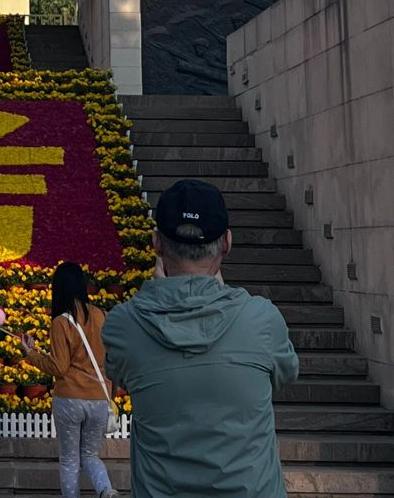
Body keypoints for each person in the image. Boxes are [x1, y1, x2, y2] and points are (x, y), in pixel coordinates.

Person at [104, 179, 299, 498]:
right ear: (226, 243)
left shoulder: (124, 324)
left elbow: (120, 374)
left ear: (156, 243)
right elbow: (282, 375)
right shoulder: (261, 319)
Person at [20, 261, 120, 498]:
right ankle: (106, 490)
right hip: (99, 399)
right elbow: (112, 360)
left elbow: (59, 367)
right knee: (90, 455)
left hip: (70, 398)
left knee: (69, 460)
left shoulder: (61, 322)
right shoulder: (102, 315)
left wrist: (31, 354)